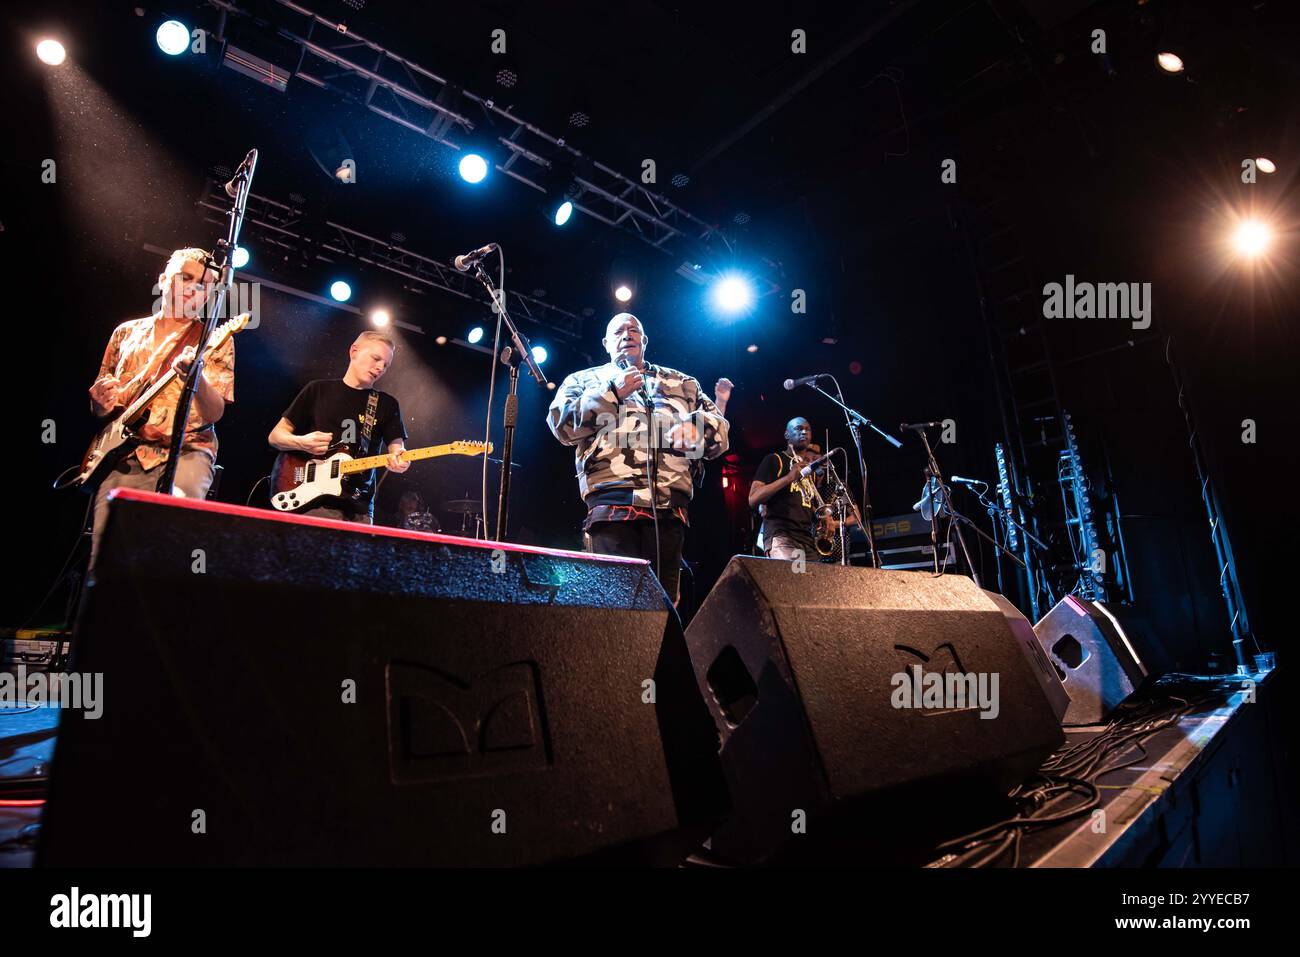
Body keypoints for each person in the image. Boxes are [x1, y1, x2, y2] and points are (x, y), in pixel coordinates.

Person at [547, 312, 730, 603]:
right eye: (618, 331)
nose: (626, 334)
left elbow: (719, 431)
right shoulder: (585, 380)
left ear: (644, 340)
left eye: (633, 330)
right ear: (606, 343)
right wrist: (612, 393)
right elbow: (561, 425)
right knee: (615, 610)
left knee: (663, 613)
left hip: (670, 511)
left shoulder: (682, 383)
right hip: (612, 508)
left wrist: (699, 432)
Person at [86, 247, 235, 566]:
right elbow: (106, 406)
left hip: (187, 451)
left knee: (168, 546)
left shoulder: (214, 339)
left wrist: (197, 378)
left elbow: (214, 413)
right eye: (186, 278)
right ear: (163, 280)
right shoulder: (126, 332)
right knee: (106, 554)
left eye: (204, 284)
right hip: (124, 453)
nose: (194, 288)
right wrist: (99, 404)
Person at [268, 330, 409, 523]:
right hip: (312, 502)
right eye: (376, 358)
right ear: (354, 351)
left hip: (359, 507)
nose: (380, 368)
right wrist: (301, 442)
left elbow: (398, 449)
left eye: (386, 365)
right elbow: (275, 436)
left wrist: (400, 461)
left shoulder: (387, 404)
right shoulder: (317, 389)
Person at [748, 417, 833, 561]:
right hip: (782, 537)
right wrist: (788, 478)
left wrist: (824, 518)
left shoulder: (808, 472)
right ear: (787, 435)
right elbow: (753, 498)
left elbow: (804, 502)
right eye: (799, 429)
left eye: (807, 429)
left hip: (807, 539)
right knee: (792, 581)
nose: (804, 432)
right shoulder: (774, 459)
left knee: (812, 583)